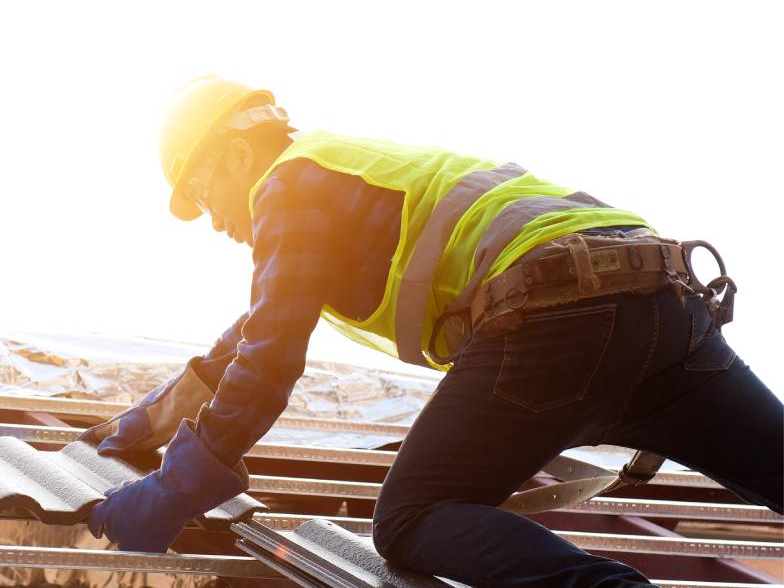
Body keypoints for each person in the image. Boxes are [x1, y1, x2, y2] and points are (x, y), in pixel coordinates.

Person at [82, 76, 783, 586]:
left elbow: (270, 352)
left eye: (203, 194)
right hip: (666, 304)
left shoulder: (287, 186)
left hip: (557, 317)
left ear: (236, 156)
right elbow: (245, 339)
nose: (213, 220)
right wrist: (145, 423)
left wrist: (180, 486)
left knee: (413, 520)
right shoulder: (342, 181)